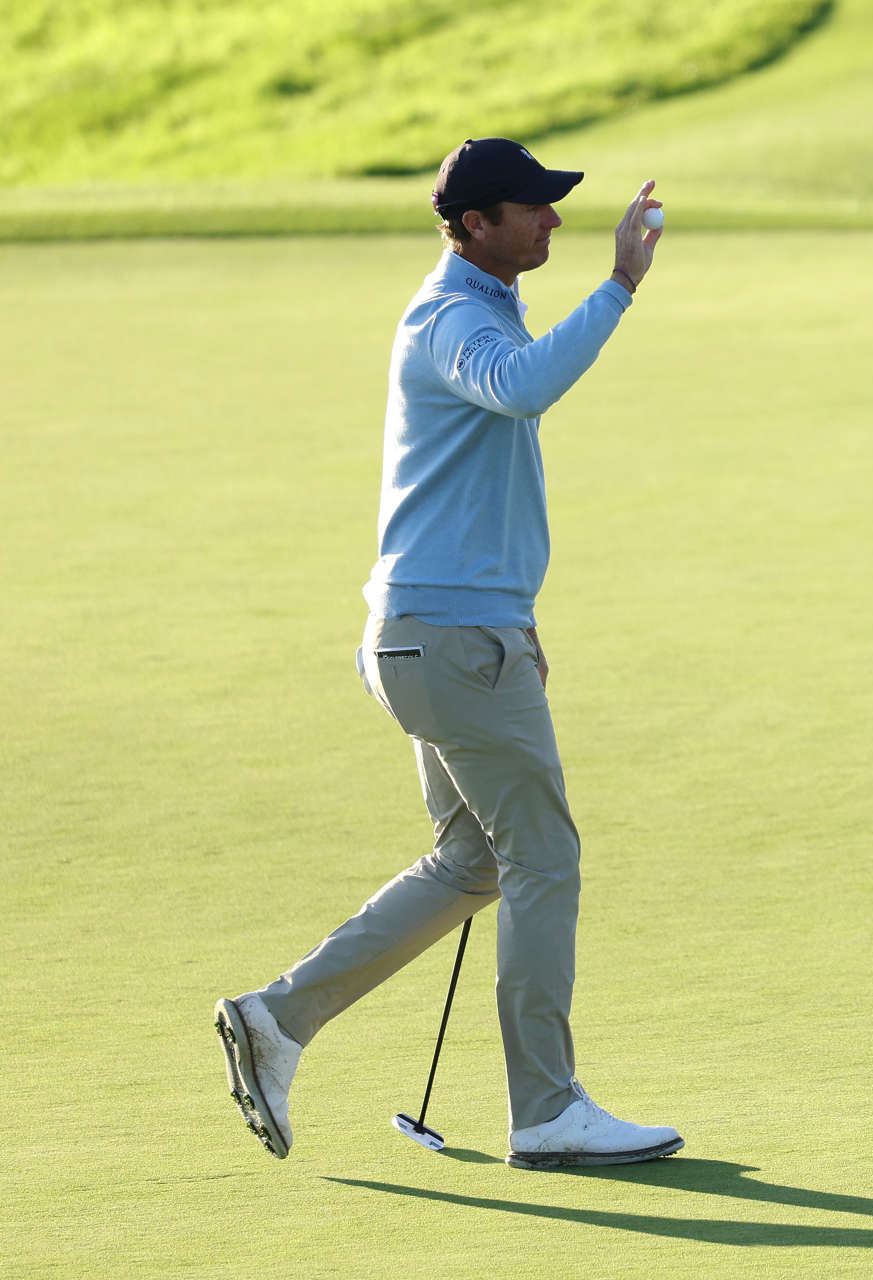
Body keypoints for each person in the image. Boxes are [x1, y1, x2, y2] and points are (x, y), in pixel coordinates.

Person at [215, 138, 678, 1171]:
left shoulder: (479, 307)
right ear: (474, 224)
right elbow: (521, 388)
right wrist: (618, 286)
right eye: (531, 207)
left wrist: (518, 617)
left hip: (444, 631)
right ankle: (546, 1111)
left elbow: (480, 488)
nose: (551, 220)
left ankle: (276, 1020)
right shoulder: (453, 319)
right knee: (542, 856)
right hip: (450, 639)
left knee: (475, 861)